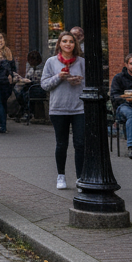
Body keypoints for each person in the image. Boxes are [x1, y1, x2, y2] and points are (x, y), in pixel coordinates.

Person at [42, 31, 85, 190]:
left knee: (80, 144)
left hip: (78, 108)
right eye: (65, 41)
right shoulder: (51, 62)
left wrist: (77, 82)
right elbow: (44, 85)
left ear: (75, 44)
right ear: (59, 44)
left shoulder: (81, 62)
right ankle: (61, 175)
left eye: (71, 42)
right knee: (62, 144)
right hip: (59, 109)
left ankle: (81, 178)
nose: (68, 44)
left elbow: (88, 86)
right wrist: (59, 77)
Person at [0, 32, 16, 134]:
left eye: (0, 38)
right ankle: (1, 122)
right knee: (2, 103)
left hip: (1, 82)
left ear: (4, 40)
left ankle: (3, 125)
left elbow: (12, 68)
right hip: (2, 81)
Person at [15, 49, 45, 122]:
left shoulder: (42, 68)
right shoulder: (29, 66)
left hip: (38, 87)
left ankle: (27, 112)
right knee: (19, 92)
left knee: (26, 95)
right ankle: (23, 111)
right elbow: (27, 76)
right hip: (29, 86)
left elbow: (39, 79)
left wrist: (29, 80)